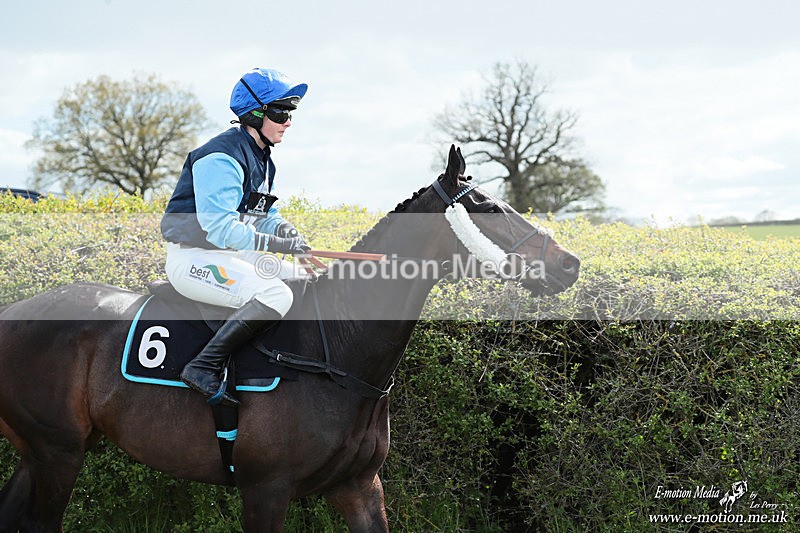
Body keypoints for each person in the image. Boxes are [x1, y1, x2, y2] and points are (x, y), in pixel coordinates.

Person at [160, 67, 310, 406]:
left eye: (291, 113)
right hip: (196, 258)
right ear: (255, 114)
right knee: (276, 294)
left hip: (230, 256)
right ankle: (202, 366)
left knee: (304, 280)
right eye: (281, 112)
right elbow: (221, 228)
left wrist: (284, 230)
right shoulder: (220, 157)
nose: (288, 121)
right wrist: (275, 243)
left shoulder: (263, 158)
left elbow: (264, 213)